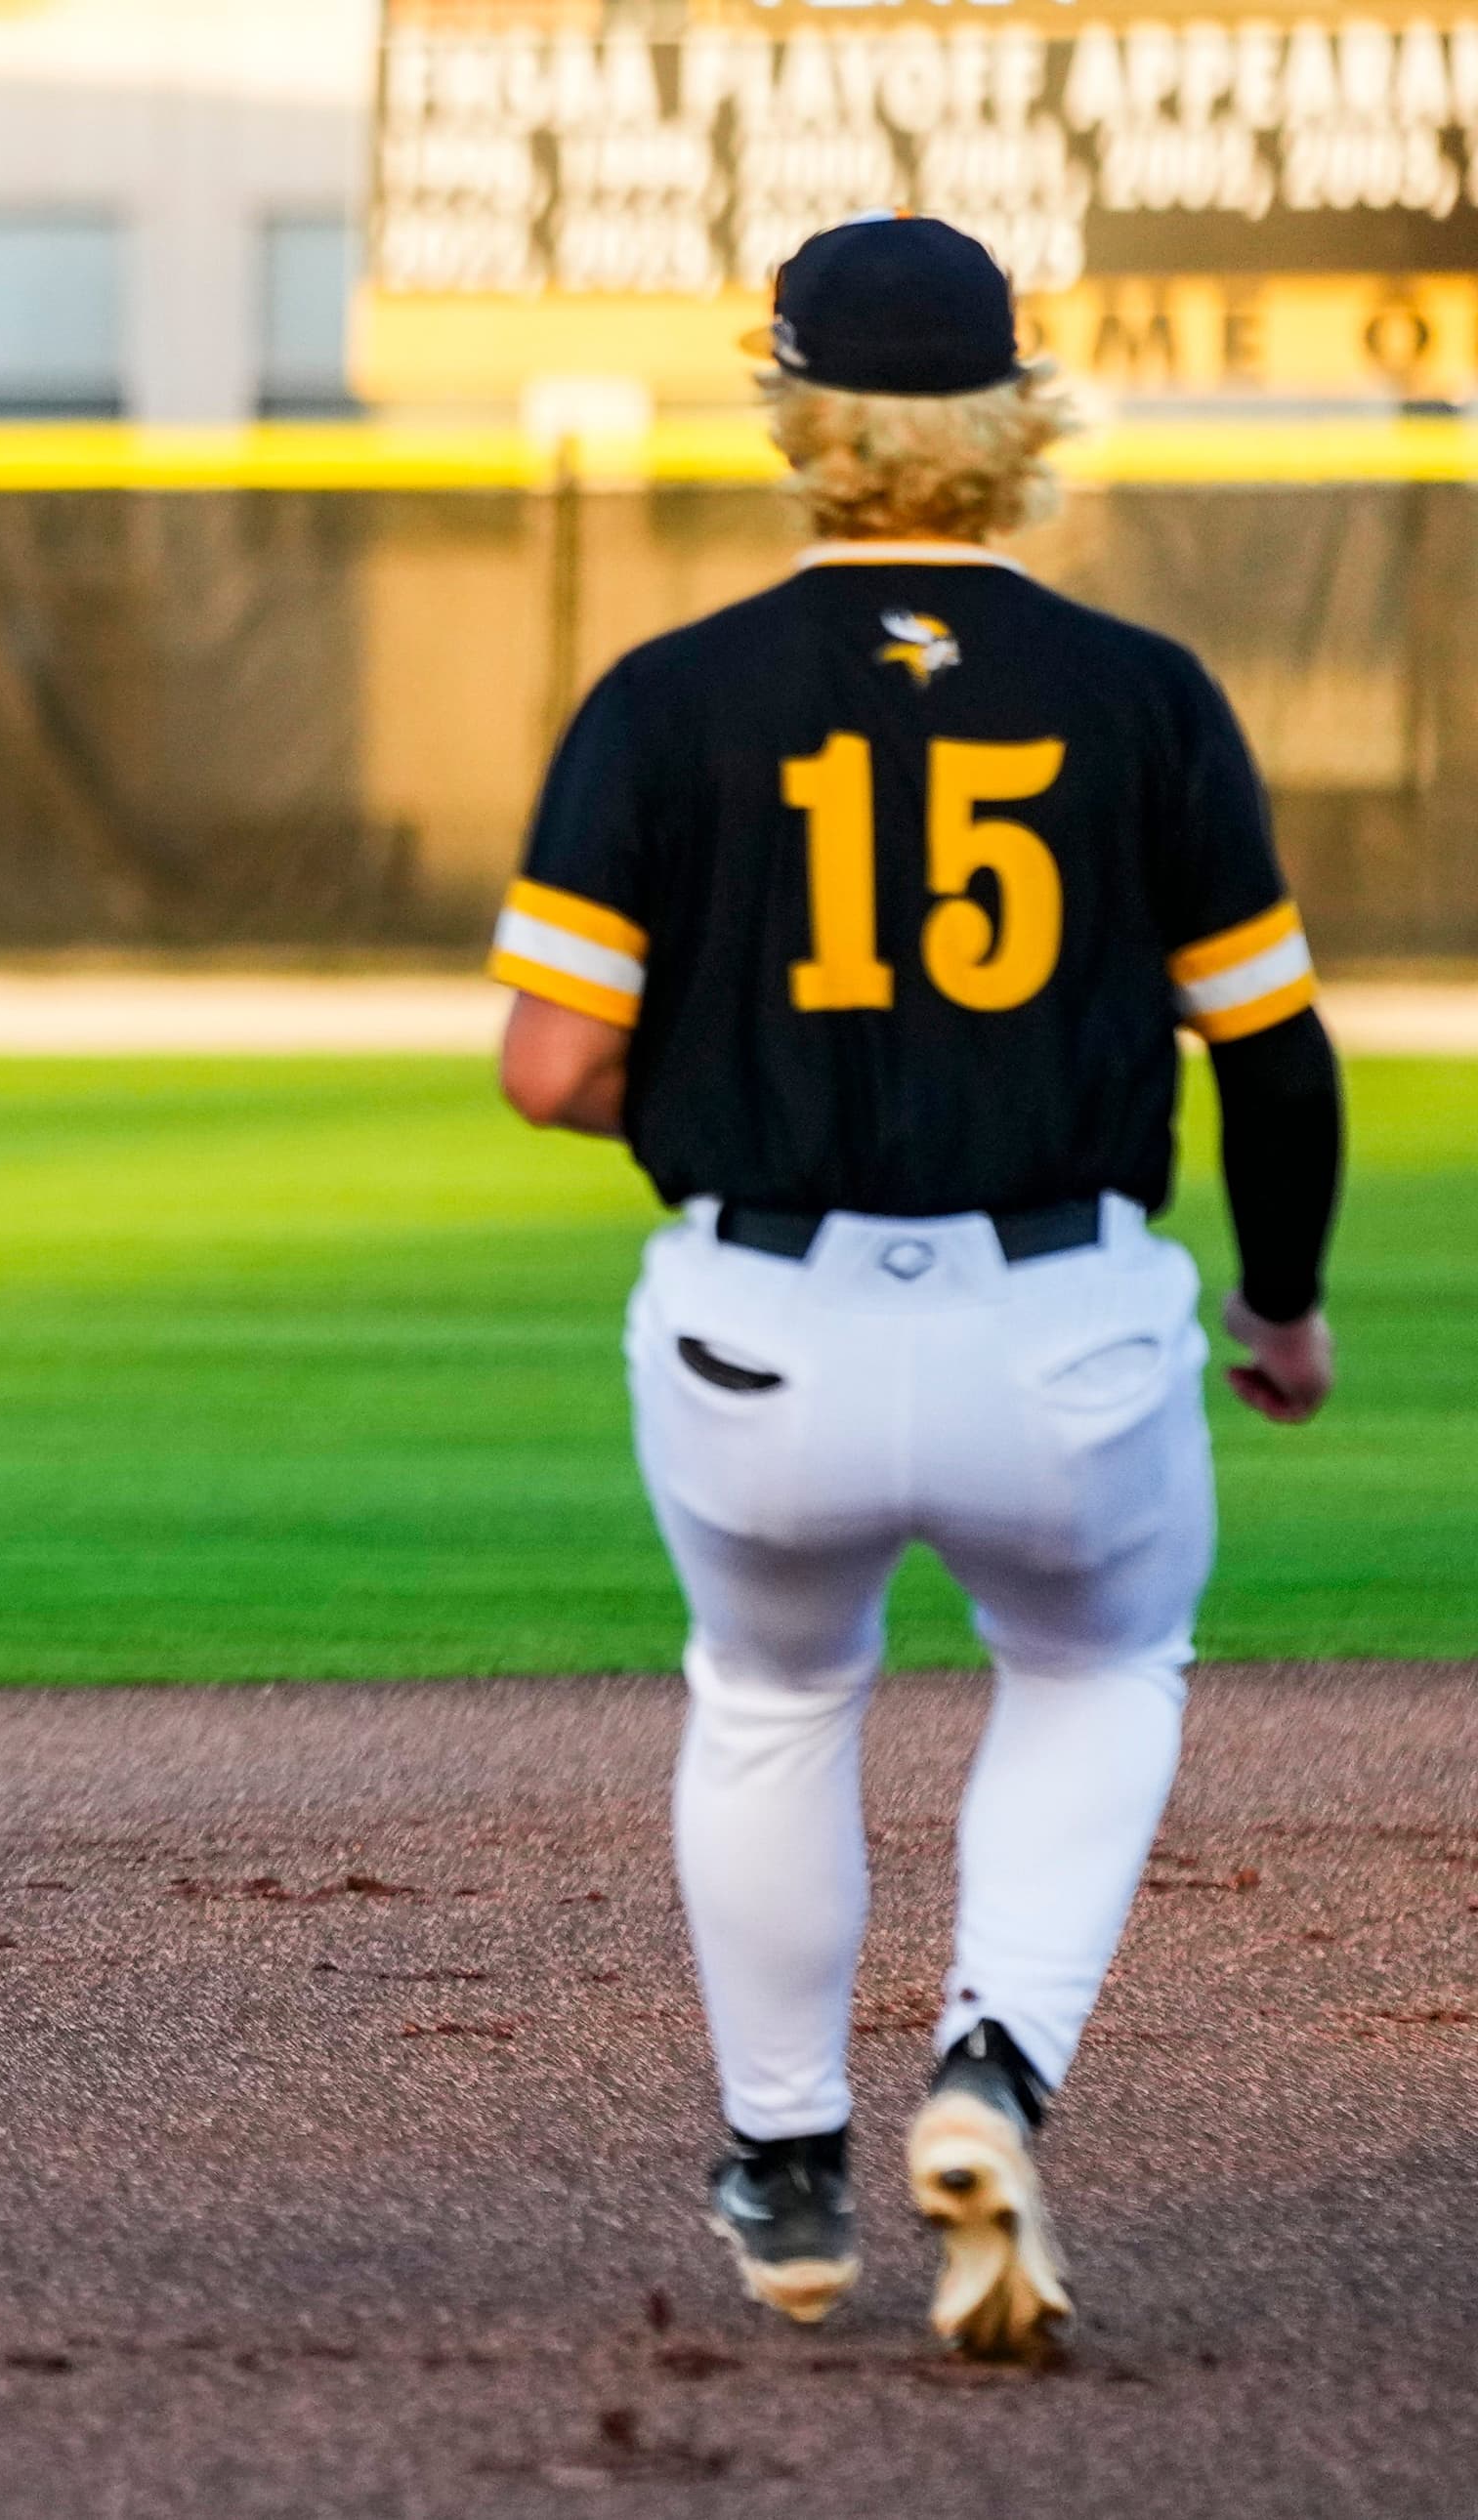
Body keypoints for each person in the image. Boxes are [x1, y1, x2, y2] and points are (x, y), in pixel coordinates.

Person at [491, 219, 1342, 2357]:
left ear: (794, 413)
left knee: (774, 1697)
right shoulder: (1142, 694)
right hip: (1061, 1324)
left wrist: (739, 1092)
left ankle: (788, 2169)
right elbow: (1274, 1053)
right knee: (1096, 1666)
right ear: (1017, 414)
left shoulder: (667, 696)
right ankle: (991, 2071)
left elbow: (552, 1069)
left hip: (754, 1328)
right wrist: (1286, 1308)